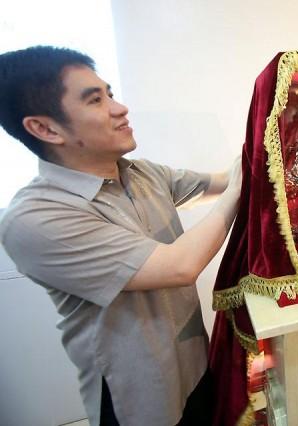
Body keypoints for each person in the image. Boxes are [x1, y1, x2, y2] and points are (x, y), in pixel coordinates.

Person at [0, 46, 241, 425]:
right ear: (45, 128)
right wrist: (238, 190)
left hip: (195, 367)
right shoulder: (34, 218)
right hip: (139, 400)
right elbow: (180, 266)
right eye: (95, 100)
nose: (118, 108)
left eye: (109, 93)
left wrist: (269, 140)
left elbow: (224, 182)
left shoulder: (141, 173)